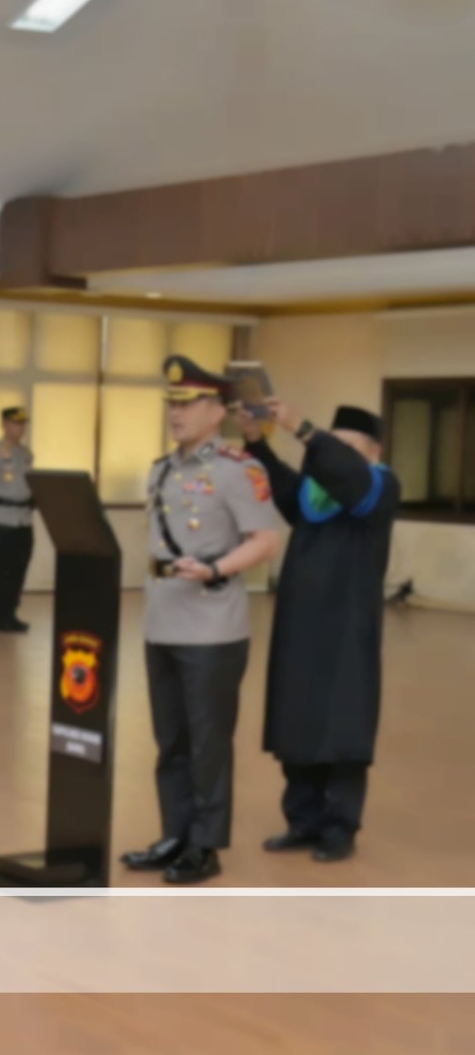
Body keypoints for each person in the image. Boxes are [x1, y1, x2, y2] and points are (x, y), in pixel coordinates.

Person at [120, 356, 281, 884]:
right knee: (171, 741)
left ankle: (205, 845)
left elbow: (265, 541)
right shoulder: (161, 469)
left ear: (217, 412)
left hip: (212, 629)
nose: (176, 413)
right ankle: (175, 834)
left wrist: (215, 568)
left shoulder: (238, 470)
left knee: (208, 743)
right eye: (172, 403)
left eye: (188, 404)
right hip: (162, 621)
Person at [237, 400, 400, 864]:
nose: (335, 454)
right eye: (334, 444)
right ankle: (302, 821)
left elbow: (346, 475)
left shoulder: (379, 487)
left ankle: (339, 827)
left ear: (373, 450)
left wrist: (305, 430)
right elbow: (284, 485)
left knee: (341, 727)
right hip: (300, 623)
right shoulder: (316, 494)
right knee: (299, 721)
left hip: (348, 629)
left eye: (348, 446)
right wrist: (256, 442)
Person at [0, 405, 35, 633]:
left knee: (18, 569)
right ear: (4, 425)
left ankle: (11, 613)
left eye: (22, 424)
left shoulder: (26, 454)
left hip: (23, 520)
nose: (19, 429)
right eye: (14, 424)